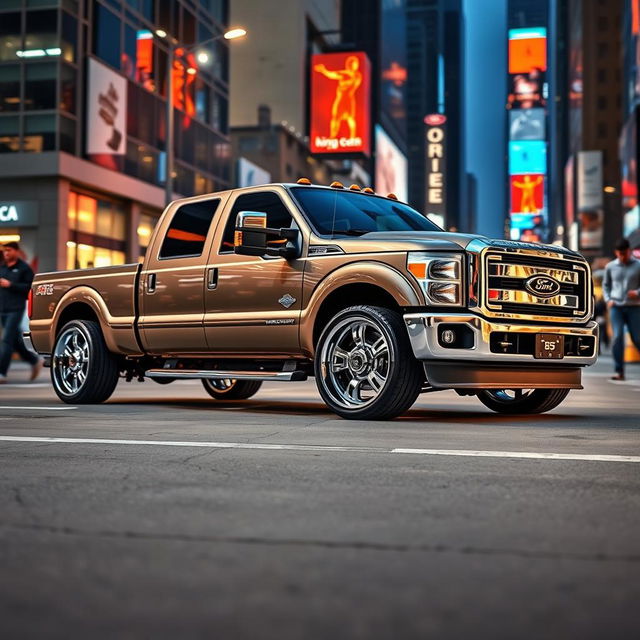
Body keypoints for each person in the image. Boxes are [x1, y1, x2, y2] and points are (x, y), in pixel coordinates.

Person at [0, 241, 42, 384]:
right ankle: (34, 361)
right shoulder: (2, 268)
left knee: (6, 340)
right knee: (15, 341)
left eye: (9, 250)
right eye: (5, 251)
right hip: (3, 309)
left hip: (16, 309)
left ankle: (2, 373)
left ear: (16, 251)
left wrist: (11, 285)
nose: (6, 253)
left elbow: (30, 288)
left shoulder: (24, 268)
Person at [603, 237, 640, 381]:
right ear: (616, 253)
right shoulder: (610, 267)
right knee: (617, 338)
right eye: (619, 254)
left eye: (624, 253)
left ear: (629, 251)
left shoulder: (638, 265)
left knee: (637, 339)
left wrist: (637, 293)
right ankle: (619, 371)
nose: (622, 256)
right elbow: (606, 286)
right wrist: (608, 300)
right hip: (616, 307)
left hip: (634, 308)